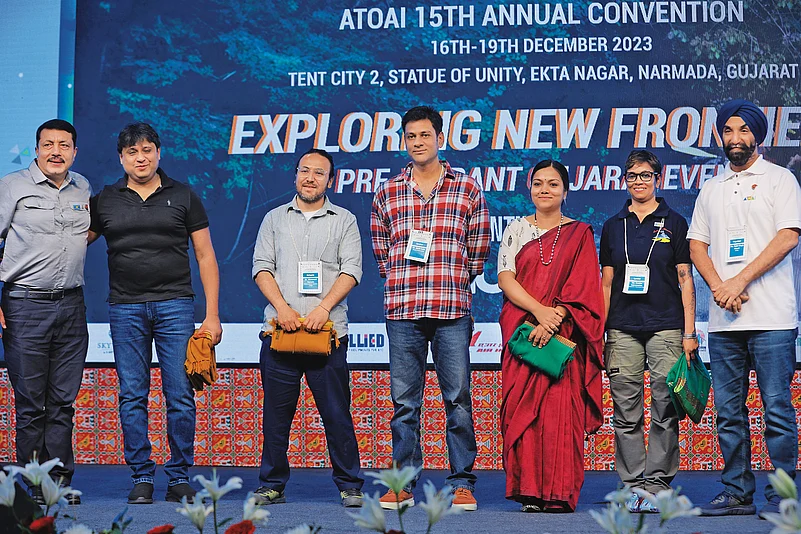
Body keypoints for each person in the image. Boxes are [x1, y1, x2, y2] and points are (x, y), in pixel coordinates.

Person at [88, 122, 222, 504]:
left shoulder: (183, 195)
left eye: (147, 150)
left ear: (158, 153)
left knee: (180, 394)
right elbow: (71, 242)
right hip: (124, 308)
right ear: (122, 158)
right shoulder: (105, 199)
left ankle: (179, 475)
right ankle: (142, 476)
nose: (141, 158)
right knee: (132, 395)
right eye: (132, 152)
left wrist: (212, 315)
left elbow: (205, 255)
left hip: (175, 305)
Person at [370, 106, 490, 511]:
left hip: (452, 309)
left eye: (424, 135)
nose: (418, 142)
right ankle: (402, 483)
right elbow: (381, 251)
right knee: (405, 403)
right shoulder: (387, 192)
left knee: (457, 398)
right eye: (410, 137)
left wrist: (452, 280)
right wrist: (402, 281)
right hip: (402, 310)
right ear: (404, 141)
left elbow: (478, 253)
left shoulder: (468, 188)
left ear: (440, 137)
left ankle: (461, 483)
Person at [688, 99, 801, 518]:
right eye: (728, 131)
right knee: (728, 412)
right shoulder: (712, 187)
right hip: (724, 321)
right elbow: (696, 243)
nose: (736, 139)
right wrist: (720, 286)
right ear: (720, 136)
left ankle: (783, 494)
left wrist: (738, 281)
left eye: (744, 131)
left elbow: (788, 236)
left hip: (772, 317)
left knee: (776, 408)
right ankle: (737, 491)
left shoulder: (780, 179)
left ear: (758, 134)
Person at [250, 148, 365, 508]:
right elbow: (260, 267)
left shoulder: (343, 219)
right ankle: (272, 484)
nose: (310, 178)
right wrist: (282, 308)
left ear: (330, 180)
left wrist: (323, 308)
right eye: (304, 171)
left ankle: (350, 485)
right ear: (295, 175)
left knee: (336, 414)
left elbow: (352, 270)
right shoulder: (273, 218)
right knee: (276, 417)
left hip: (327, 334)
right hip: (279, 332)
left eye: (318, 173)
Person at [497, 159, 604, 513]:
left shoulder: (580, 234)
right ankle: (529, 491)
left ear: (565, 190)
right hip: (523, 334)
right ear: (530, 188)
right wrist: (539, 312)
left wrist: (555, 317)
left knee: (559, 415)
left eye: (553, 184)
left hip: (562, 339)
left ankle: (558, 493)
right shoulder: (515, 229)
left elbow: (585, 287)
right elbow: (506, 278)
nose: (545, 189)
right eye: (539, 183)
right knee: (523, 413)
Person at [599, 150, 698, 512]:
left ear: (658, 177)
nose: (638, 181)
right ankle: (633, 485)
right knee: (625, 412)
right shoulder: (613, 225)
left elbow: (686, 279)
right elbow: (606, 283)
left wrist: (690, 332)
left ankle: (657, 484)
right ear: (624, 179)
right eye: (632, 175)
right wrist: (601, 331)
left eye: (645, 174)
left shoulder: (675, 221)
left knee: (664, 407)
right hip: (622, 328)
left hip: (667, 327)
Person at [0, 119, 90, 505]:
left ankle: (57, 482)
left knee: (63, 403)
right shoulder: (12, 186)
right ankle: (30, 486)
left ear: (74, 151)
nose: (56, 151)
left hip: (72, 306)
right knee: (31, 403)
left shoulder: (83, 187)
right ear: (36, 148)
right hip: (24, 306)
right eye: (48, 144)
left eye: (64, 145)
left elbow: (87, 233)